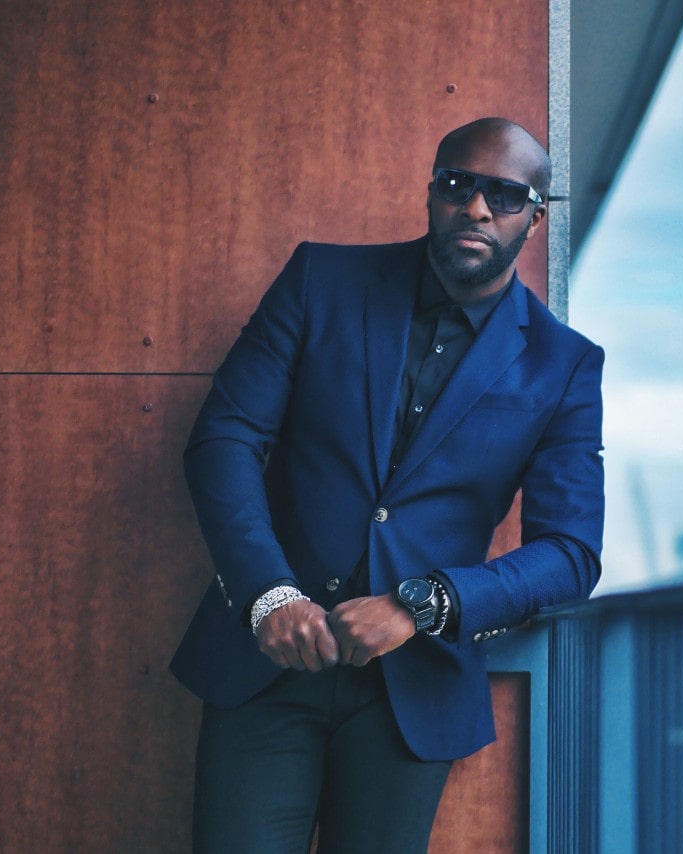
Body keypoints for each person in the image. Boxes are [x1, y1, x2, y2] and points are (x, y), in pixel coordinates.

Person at [169, 117, 605, 853]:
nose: (475, 207)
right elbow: (224, 437)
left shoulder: (563, 364)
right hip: (267, 662)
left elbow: (570, 553)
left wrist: (426, 604)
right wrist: (268, 592)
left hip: (413, 689)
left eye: (503, 195)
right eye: (457, 185)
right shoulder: (322, 281)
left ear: (535, 217)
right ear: (432, 193)